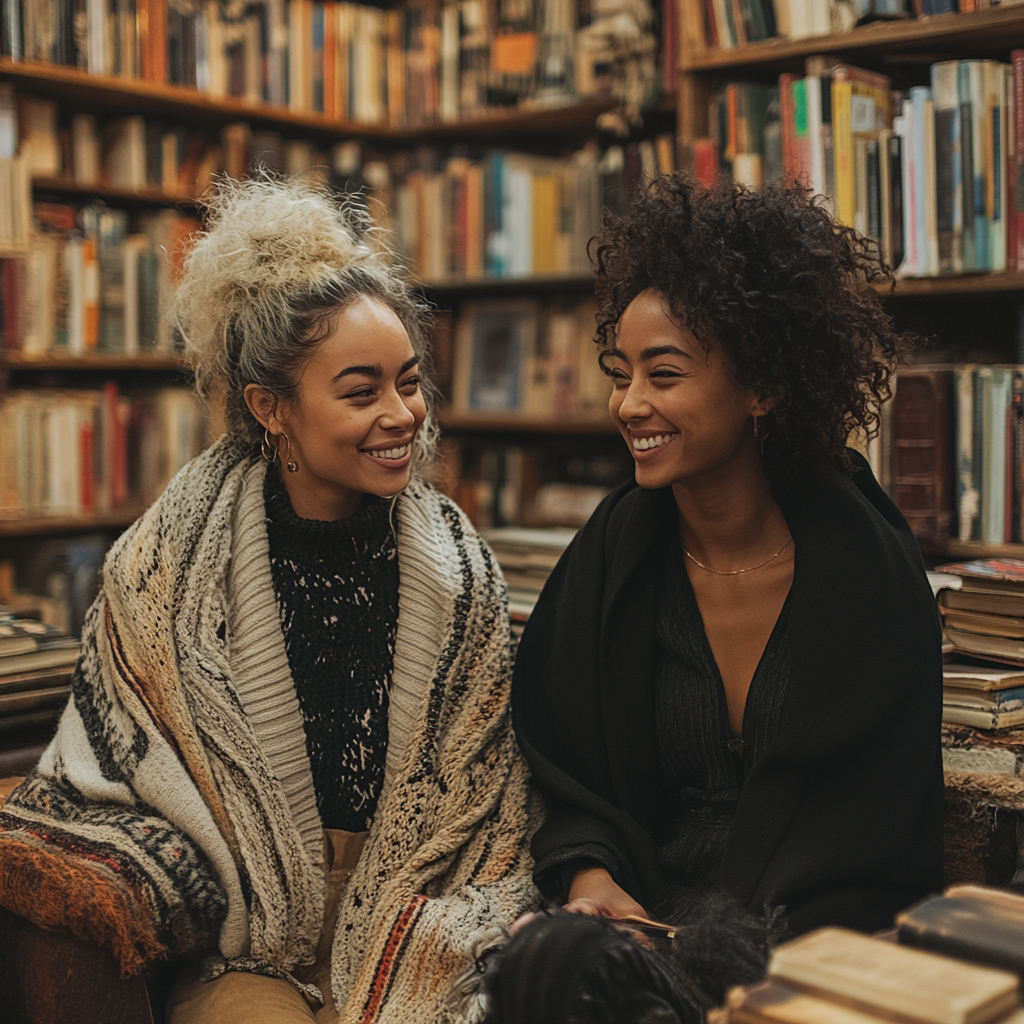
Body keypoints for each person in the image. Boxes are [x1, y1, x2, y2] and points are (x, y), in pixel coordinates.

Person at [0, 177, 539, 1024]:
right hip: (243, 955)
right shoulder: (165, 562)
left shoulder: (462, 569)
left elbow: (484, 796)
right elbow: (124, 763)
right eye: (360, 392)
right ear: (270, 407)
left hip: (418, 929)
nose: (402, 414)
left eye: (408, 382)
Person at [512, 174, 945, 944]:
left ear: (765, 386)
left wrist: (735, 952)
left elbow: (881, 825)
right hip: (639, 931)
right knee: (546, 966)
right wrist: (594, 881)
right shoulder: (612, 556)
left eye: (664, 374)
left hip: (814, 944)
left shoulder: (866, 569)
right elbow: (564, 773)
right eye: (622, 373)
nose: (630, 404)